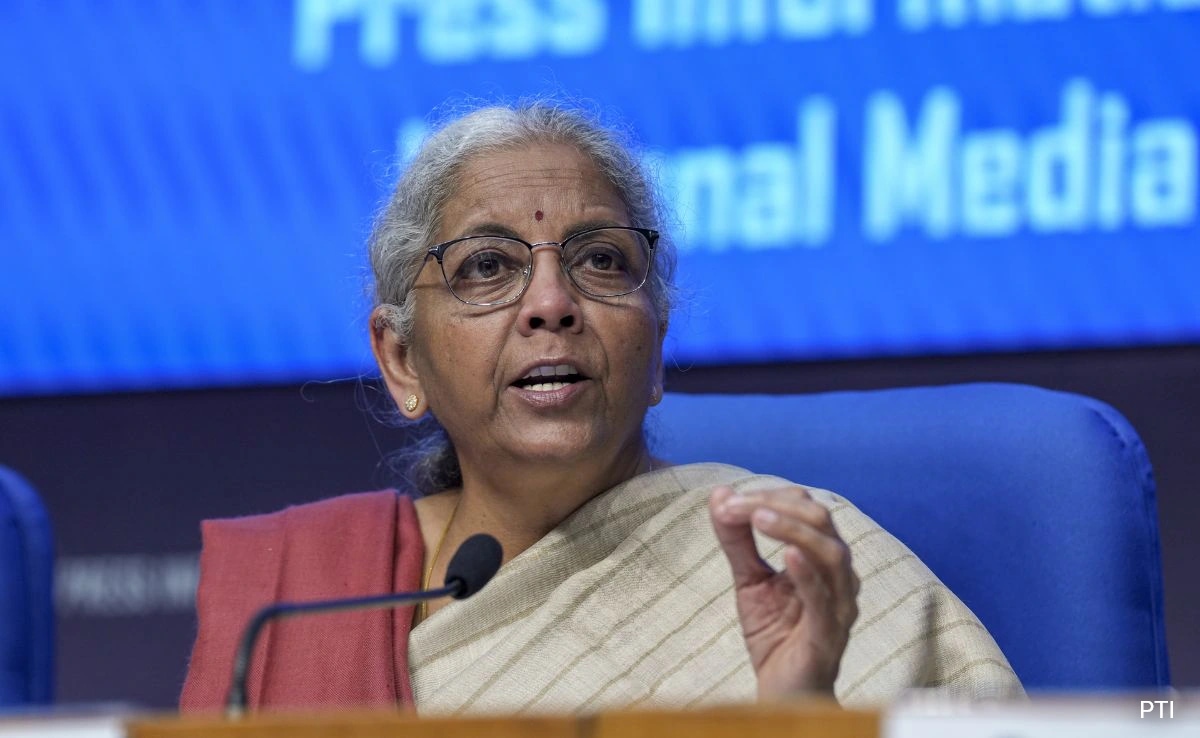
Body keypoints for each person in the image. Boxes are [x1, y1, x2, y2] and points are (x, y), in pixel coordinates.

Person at [181, 102, 1023, 715]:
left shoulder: (805, 566)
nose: (551, 303)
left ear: (657, 340)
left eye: (601, 261)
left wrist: (801, 718)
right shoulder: (296, 601)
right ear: (402, 359)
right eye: (486, 267)